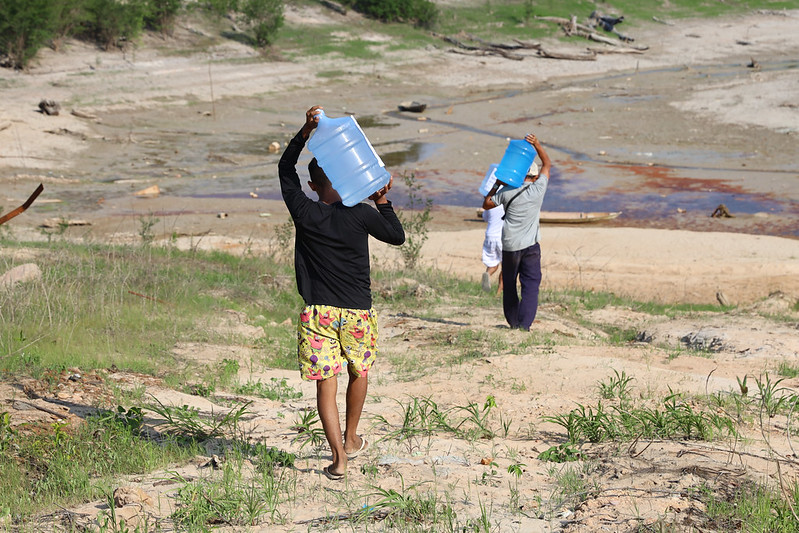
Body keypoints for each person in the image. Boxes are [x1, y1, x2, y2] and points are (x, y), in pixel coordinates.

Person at [279, 105, 405, 481]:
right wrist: (382, 200)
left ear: (314, 186)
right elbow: (397, 237)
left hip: (318, 314)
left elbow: (286, 171)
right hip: (357, 314)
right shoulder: (362, 214)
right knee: (359, 371)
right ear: (347, 177)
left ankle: (339, 459)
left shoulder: (304, 210)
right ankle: (352, 438)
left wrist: (304, 133)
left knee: (325, 384)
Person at [482, 133, 552, 331]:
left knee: (510, 284)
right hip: (531, 246)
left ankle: (513, 322)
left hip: (510, 246)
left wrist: (497, 184)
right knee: (531, 284)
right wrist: (537, 144)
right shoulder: (539, 189)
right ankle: (525, 325)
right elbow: (547, 164)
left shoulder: (507, 191)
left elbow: (486, 204)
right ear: (535, 176)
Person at [481, 203, 504, 295]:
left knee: (493, 264)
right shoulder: (506, 203)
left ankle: (488, 274)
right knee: (506, 267)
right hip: (502, 236)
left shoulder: (489, 205)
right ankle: (498, 293)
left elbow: (485, 218)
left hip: (489, 235)